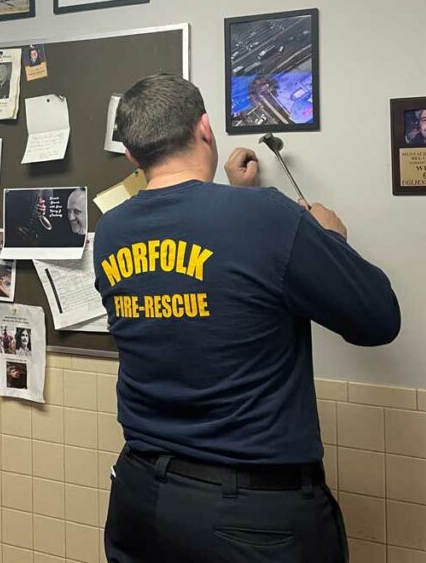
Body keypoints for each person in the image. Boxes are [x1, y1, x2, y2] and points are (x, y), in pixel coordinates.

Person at [94, 73, 400, 563]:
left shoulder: (111, 232)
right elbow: (379, 318)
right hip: (251, 521)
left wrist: (239, 194)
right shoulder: (267, 218)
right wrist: (331, 240)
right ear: (206, 128)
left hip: (141, 501)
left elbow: (187, 261)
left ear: (131, 155)